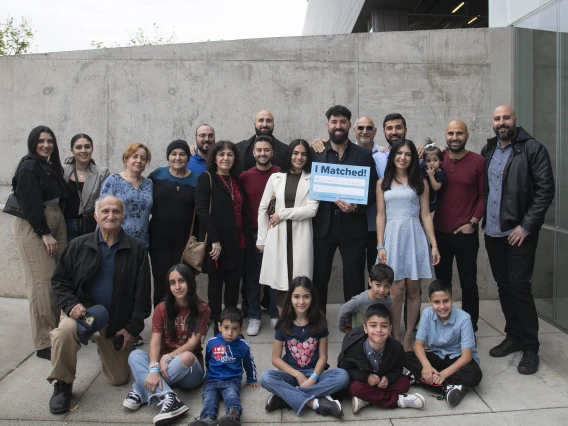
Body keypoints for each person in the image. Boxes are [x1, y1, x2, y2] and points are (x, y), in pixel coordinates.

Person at [48, 195, 151, 414]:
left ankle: (101, 346)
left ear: (123, 216)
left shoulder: (137, 249)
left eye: (116, 211)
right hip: (80, 314)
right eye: (105, 211)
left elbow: (142, 295)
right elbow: (59, 282)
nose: (110, 216)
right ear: (96, 215)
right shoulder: (78, 245)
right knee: (64, 332)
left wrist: (132, 329)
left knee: (119, 379)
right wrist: (70, 304)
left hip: (113, 321)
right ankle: (62, 384)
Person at [482, 105, 554, 375]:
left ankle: (531, 346)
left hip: (519, 234)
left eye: (506, 118)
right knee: (504, 286)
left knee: (519, 287)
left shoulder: (533, 149)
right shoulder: (488, 150)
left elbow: (545, 190)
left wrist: (526, 226)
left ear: (515, 120)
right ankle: (513, 335)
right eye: (497, 118)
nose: (502, 122)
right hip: (493, 232)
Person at [311, 105, 379, 313]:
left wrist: (356, 205)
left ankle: (355, 325)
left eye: (342, 122)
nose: (338, 126)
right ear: (328, 125)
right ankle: (317, 322)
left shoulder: (363, 155)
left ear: (350, 125)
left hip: (353, 226)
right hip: (323, 225)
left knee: (354, 278)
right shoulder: (316, 153)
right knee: (319, 278)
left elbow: (373, 189)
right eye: (334, 122)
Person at [124, 264, 210, 426]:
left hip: (190, 370)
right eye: (172, 283)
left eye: (181, 281)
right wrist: (155, 367)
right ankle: (170, 398)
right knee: (135, 355)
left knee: (186, 357)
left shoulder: (202, 309)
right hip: (163, 367)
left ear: (190, 282)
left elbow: (192, 343)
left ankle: (141, 388)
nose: (177, 287)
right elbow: (155, 342)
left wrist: (168, 358)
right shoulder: (161, 308)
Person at [376, 139, 440, 351]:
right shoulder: (382, 183)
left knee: (414, 290)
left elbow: (425, 215)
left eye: (407, 154)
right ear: (393, 155)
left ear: (413, 158)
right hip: (392, 237)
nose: (402, 157)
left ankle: (408, 336)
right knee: (395, 291)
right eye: (399, 153)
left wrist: (434, 245)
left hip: (414, 236)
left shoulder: (419, 181)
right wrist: (380, 245)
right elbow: (381, 215)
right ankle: (394, 335)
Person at [12, 125, 69, 361]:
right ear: (32, 142)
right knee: (42, 284)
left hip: (56, 218)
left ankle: (57, 332)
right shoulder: (28, 166)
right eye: (41, 141)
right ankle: (45, 342)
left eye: (50, 141)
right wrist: (44, 232)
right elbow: (30, 203)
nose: (46, 145)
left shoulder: (48, 166)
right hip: (37, 224)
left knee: (58, 279)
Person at [259, 276, 350, 419]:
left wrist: (313, 378)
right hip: (290, 374)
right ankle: (315, 403)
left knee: (343, 376)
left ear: (312, 298)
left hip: (314, 374)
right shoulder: (284, 324)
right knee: (265, 377)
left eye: (306, 297)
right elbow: (275, 359)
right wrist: (297, 374)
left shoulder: (319, 322)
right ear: (290, 298)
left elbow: (323, 357)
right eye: (296, 297)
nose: (301, 302)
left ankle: (286, 397)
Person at [433, 120, 485, 333]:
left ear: (467, 135)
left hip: (465, 233)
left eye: (459, 133)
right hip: (439, 233)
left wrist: (472, 223)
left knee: (469, 283)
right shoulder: (438, 158)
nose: (455, 137)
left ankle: (470, 327)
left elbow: (483, 196)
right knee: (442, 284)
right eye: (451, 133)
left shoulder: (478, 161)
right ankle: (443, 325)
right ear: (445, 135)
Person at [257, 139, 319, 316]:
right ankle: (284, 325)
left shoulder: (313, 178)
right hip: (277, 236)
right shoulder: (276, 177)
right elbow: (263, 208)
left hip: (301, 235)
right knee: (280, 283)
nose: (299, 157)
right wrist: (262, 239)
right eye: (295, 153)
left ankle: (300, 323)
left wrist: (282, 213)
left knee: (301, 283)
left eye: (303, 154)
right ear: (289, 155)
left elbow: (311, 209)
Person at [195, 141, 253, 325]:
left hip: (239, 242)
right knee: (216, 283)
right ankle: (215, 319)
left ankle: (229, 319)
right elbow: (202, 211)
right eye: (221, 154)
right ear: (215, 158)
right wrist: (215, 240)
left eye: (230, 154)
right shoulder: (207, 178)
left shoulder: (236, 179)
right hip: (217, 243)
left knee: (234, 284)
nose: (226, 158)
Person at [404, 280, 482, 407]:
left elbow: (467, 356)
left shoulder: (464, 318)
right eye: (436, 302)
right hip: (437, 356)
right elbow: (418, 345)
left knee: (475, 375)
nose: (442, 306)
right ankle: (450, 387)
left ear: (452, 298)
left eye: (446, 301)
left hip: (458, 359)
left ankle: (424, 379)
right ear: (430, 301)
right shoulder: (427, 313)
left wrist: (444, 374)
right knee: (406, 357)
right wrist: (426, 366)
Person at [338, 304, 425, 414]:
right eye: (373, 326)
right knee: (355, 388)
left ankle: (366, 399)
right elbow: (344, 369)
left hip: (382, 381)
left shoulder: (396, 348)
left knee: (404, 383)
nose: (378, 330)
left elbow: (398, 369)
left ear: (390, 329)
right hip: (362, 381)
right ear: (365, 328)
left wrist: (388, 378)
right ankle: (398, 401)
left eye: (384, 326)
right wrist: (366, 377)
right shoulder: (352, 348)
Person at [148, 140, 199, 307]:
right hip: (159, 241)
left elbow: (201, 212)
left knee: (184, 283)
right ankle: (161, 323)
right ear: (168, 156)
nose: (178, 158)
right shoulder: (157, 175)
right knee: (162, 281)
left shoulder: (197, 180)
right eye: (174, 154)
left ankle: (184, 320)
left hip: (185, 244)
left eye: (182, 154)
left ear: (188, 157)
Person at [189, 307, 259, 426]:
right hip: (212, 380)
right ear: (220, 326)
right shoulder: (212, 342)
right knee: (209, 399)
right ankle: (207, 419)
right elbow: (208, 360)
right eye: (226, 328)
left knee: (232, 396)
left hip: (231, 380)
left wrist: (251, 378)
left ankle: (232, 417)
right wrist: (208, 374)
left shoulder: (243, 346)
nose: (230, 333)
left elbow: (249, 362)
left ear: (241, 329)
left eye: (234, 329)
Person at [239, 135, 281, 335]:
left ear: (272, 153)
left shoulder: (281, 174)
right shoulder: (245, 176)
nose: (263, 153)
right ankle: (254, 316)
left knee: (274, 277)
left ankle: (274, 313)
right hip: (254, 234)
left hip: (277, 233)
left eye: (266, 150)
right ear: (253, 153)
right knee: (253, 278)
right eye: (259, 150)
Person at [100, 143, 153, 248]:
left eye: (143, 158)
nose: (139, 160)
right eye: (135, 156)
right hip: (115, 240)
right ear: (125, 160)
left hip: (141, 242)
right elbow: (101, 209)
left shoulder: (149, 184)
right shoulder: (113, 180)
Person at [62, 133, 109, 242]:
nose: (83, 150)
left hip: (89, 227)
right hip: (64, 225)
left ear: (92, 149)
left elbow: (103, 200)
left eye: (87, 147)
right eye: (78, 147)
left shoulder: (102, 173)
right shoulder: (62, 171)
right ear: (72, 150)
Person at [337, 263, 394, 333]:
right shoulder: (359, 301)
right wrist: (344, 329)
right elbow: (343, 310)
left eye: (387, 286)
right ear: (370, 282)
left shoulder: (388, 302)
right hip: (359, 337)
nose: (382, 290)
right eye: (378, 285)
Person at [421, 141, 446, 213]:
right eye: (428, 161)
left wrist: (431, 176)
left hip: (432, 202)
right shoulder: (424, 168)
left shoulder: (440, 173)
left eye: (435, 160)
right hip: (422, 199)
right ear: (425, 162)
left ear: (440, 161)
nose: (432, 163)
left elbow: (436, 187)